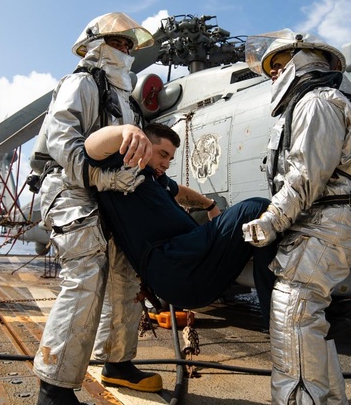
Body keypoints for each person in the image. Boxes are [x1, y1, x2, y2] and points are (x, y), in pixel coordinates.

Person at [234, 31, 351, 405]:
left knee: (293, 306)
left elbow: (305, 175)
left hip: (331, 220)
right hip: (333, 221)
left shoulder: (315, 104)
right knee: (310, 310)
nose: (274, 75)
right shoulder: (319, 103)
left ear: (302, 61)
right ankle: (330, 402)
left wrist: (269, 222)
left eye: (279, 66)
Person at [32, 12, 163, 405]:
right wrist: (105, 178)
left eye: (130, 45)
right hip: (68, 186)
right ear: (95, 45)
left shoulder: (125, 99)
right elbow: (61, 144)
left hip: (110, 192)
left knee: (126, 271)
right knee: (87, 271)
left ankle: (118, 361)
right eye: (118, 43)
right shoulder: (82, 83)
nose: (125, 51)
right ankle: (53, 392)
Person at [86, 122, 276, 318]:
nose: (166, 164)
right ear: (145, 145)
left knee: (259, 225)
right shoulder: (126, 167)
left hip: (193, 260)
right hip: (174, 267)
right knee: (255, 209)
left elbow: (180, 192)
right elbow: (91, 150)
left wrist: (210, 206)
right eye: (162, 154)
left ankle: (278, 313)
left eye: (170, 158)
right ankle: (275, 321)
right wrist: (126, 131)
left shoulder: (156, 180)